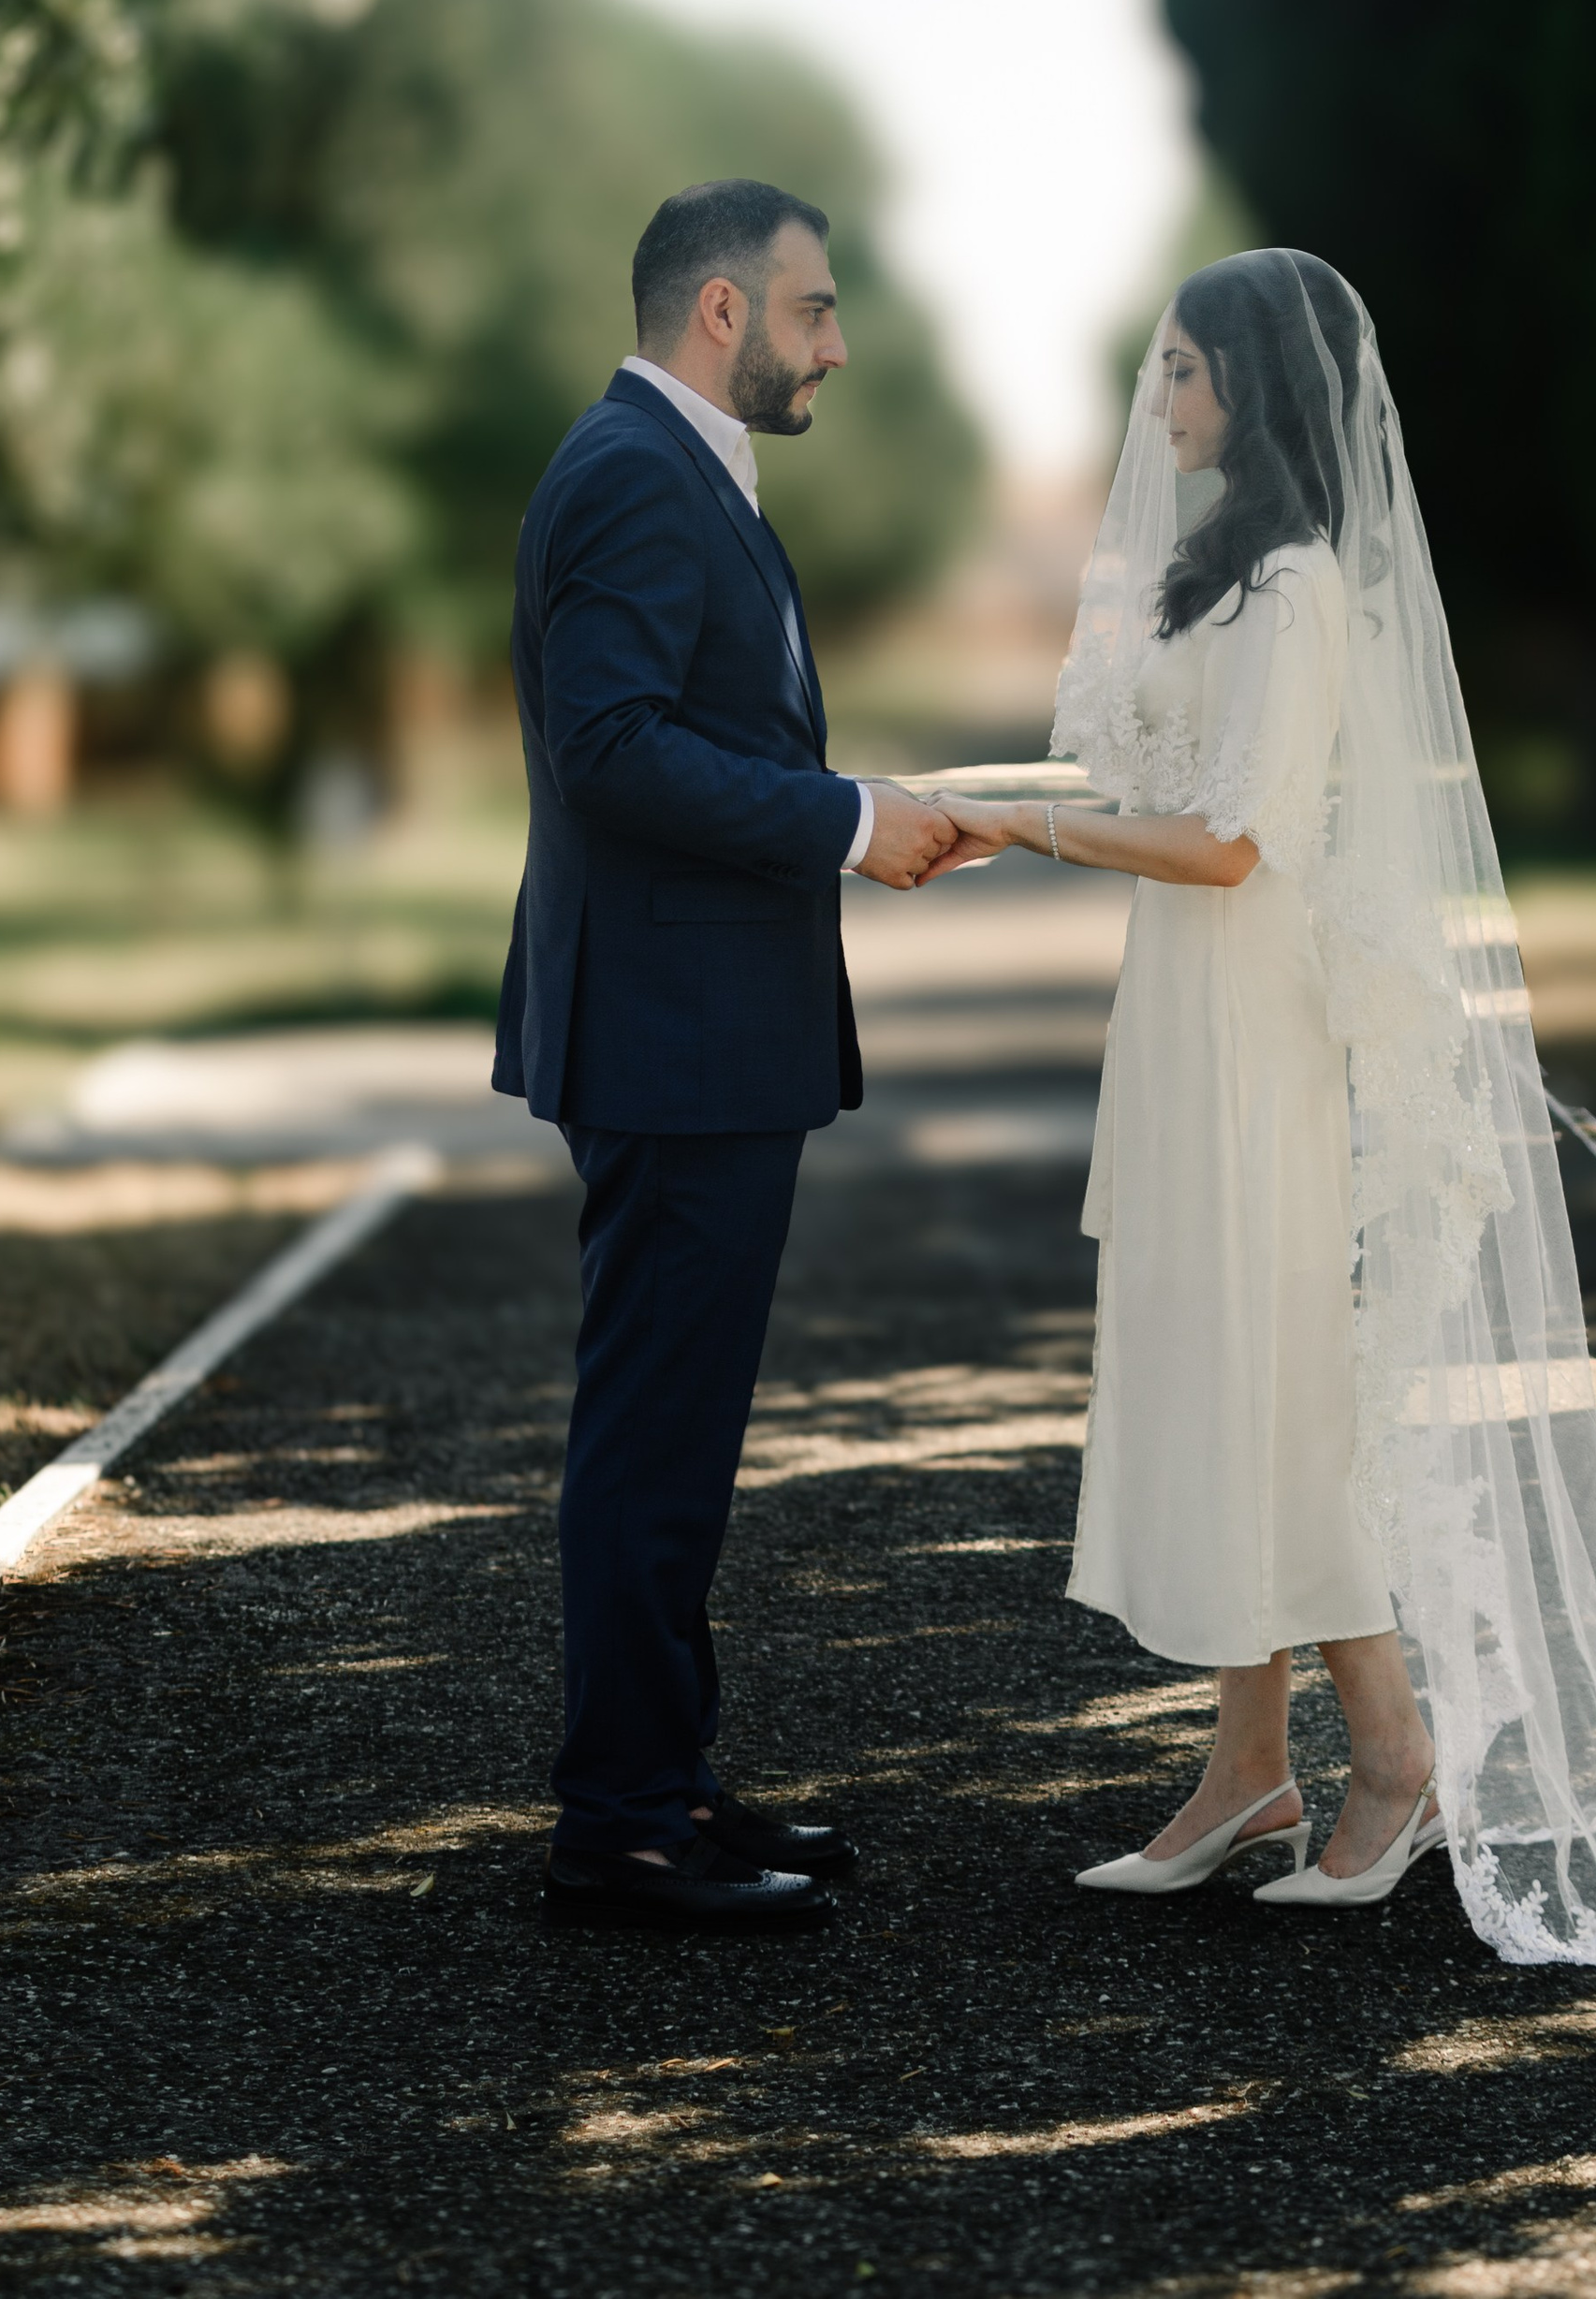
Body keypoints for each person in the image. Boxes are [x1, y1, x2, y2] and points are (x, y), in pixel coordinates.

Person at [934, 249, 1596, 1965]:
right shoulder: (1216, 579)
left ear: (1260, 394)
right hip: (1182, 1020)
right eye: (1159, 373)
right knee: (1221, 1377)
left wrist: (1019, 822)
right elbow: (1167, 794)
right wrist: (998, 802)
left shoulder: (1298, 591)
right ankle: (1246, 1771)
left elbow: (1234, 845)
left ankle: (1391, 1757)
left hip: (1256, 1027)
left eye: (1185, 375)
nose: (1161, 404)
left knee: (1279, 1381)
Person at [495, 179, 959, 1933]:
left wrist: (870, 810)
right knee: (651, 1438)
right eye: (814, 311)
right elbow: (611, 748)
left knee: (678, 1436)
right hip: (674, 1036)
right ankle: (620, 1825)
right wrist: (850, 822)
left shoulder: (681, 469)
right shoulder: (631, 471)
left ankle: (668, 1781)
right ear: (719, 314)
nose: (834, 342)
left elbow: (690, 733)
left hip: (704, 1029)